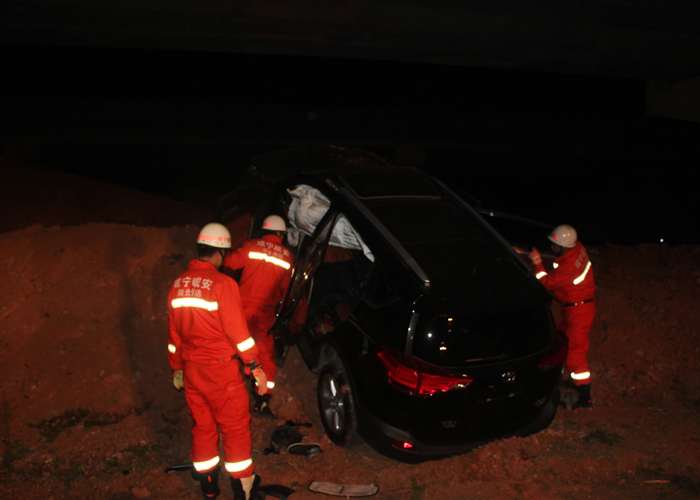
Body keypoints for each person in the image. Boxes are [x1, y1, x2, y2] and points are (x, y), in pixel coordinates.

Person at [167, 223, 268, 500]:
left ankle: (209, 486)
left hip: (191, 371)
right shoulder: (224, 284)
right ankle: (243, 488)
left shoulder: (178, 284)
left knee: (203, 427)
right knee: (234, 428)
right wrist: (254, 366)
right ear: (221, 253)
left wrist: (176, 367)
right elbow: (239, 334)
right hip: (220, 371)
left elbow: (173, 335)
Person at [223, 215, 294, 418]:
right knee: (264, 354)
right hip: (266, 313)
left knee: (232, 350)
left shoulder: (252, 245)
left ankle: (227, 396)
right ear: (281, 234)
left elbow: (229, 261)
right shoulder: (288, 256)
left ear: (265, 231)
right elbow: (285, 289)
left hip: (241, 308)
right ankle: (262, 400)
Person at [529, 224, 595, 410]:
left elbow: (544, 282)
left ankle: (584, 394)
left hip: (578, 312)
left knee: (575, 352)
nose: (552, 248)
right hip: (577, 308)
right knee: (564, 341)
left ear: (564, 246)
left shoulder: (567, 269)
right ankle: (573, 382)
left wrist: (537, 262)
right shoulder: (577, 247)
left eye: (554, 245)